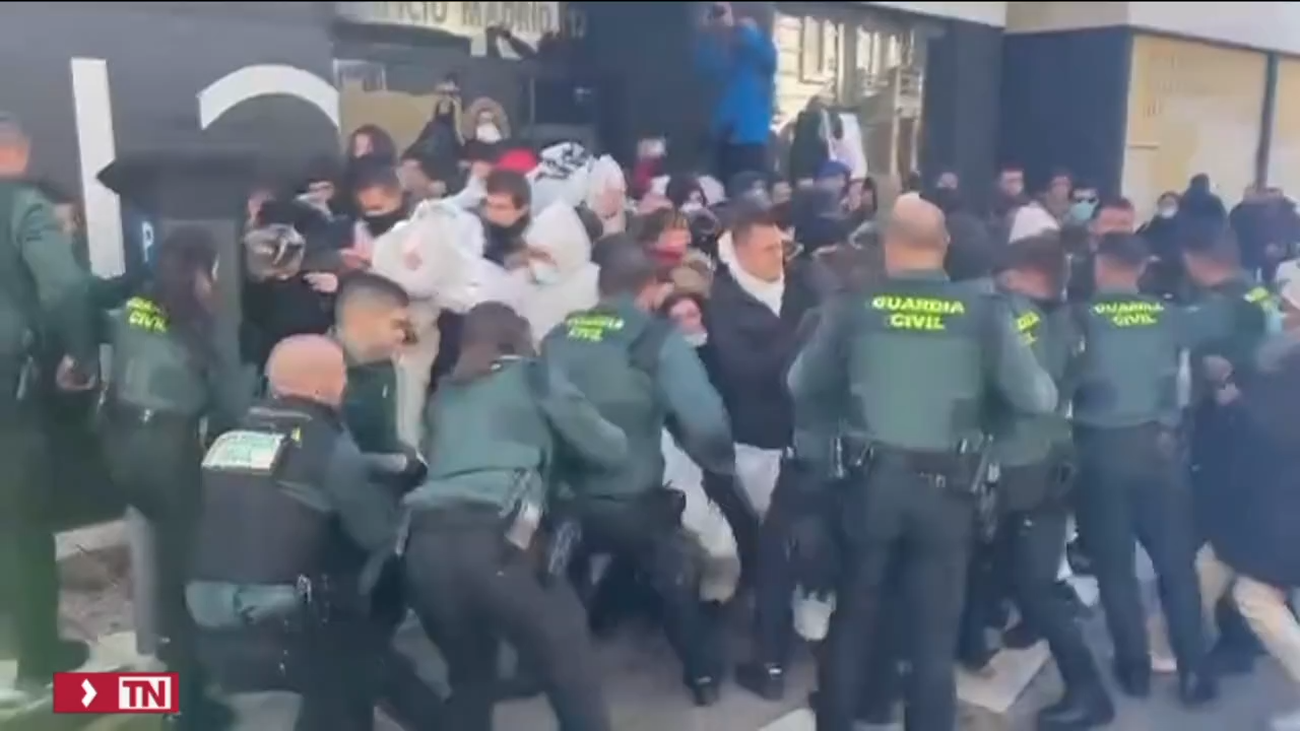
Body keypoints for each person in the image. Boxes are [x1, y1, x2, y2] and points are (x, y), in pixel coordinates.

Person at [793, 193, 1057, 731]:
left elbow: (800, 384)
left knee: (856, 618)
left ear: (890, 246)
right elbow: (1038, 401)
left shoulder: (853, 308)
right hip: (949, 490)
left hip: (870, 485)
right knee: (934, 636)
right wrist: (989, 434)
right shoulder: (984, 315)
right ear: (944, 247)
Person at [402, 303, 619, 731]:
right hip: (497, 539)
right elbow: (607, 447)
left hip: (423, 544)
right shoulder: (532, 375)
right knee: (571, 668)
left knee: (470, 679)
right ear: (520, 335)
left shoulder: (447, 391)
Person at [541, 237, 739, 705]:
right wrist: (719, 467)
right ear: (649, 289)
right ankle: (703, 678)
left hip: (569, 497)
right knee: (674, 583)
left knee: (565, 585)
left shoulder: (559, 335)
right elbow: (704, 418)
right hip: (635, 496)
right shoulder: (655, 338)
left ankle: (565, 669)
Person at [186, 335, 404, 730]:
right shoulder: (331, 447)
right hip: (291, 627)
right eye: (341, 377)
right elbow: (377, 533)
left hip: (207, 615)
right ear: (327, 386)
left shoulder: (226, 438)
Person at [100, 228, 243, 727]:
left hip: (123, 448)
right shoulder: (205, 323)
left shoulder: (132, 308)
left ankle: (154, 678)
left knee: (153, 563)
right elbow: (233, 405)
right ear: (205, 270)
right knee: (181, 577)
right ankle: (186, 705)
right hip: (171, 453)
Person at [1069, 232, 1216, 707]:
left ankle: (1134, 668)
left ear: (1101, 265)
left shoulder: (1082, 317)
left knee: (1114, 568)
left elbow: (1061, 385)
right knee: (1177, 565)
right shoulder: (1169, 316)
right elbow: (1190, 378)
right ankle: (1195, 670)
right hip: (1160, 448)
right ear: (1140, 269)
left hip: (1101, 449)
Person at [990, 235, 1115, 728]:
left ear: (1022, 275)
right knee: (1018, 563)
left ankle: (1087, 691)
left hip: (1021, 461)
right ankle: (1018, 619)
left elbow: (1009, 388)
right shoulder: (1071, 317)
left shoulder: (1013, 316)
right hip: (1058, 454)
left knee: (1035, 580)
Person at [0, 111, 98, 699]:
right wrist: (80, 356)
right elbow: (64, 285)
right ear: (20, 149)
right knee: (22, 530)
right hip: (8, 399)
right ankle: (41, 666)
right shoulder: (22, 205)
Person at [696, 1, 776, 183]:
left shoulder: (759, 50)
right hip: (721, 138)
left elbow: (767, 59)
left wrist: (742, 28)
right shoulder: (722, 51)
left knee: (746, 193)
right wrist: (708, 32)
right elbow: (703, 68)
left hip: (749, 141)